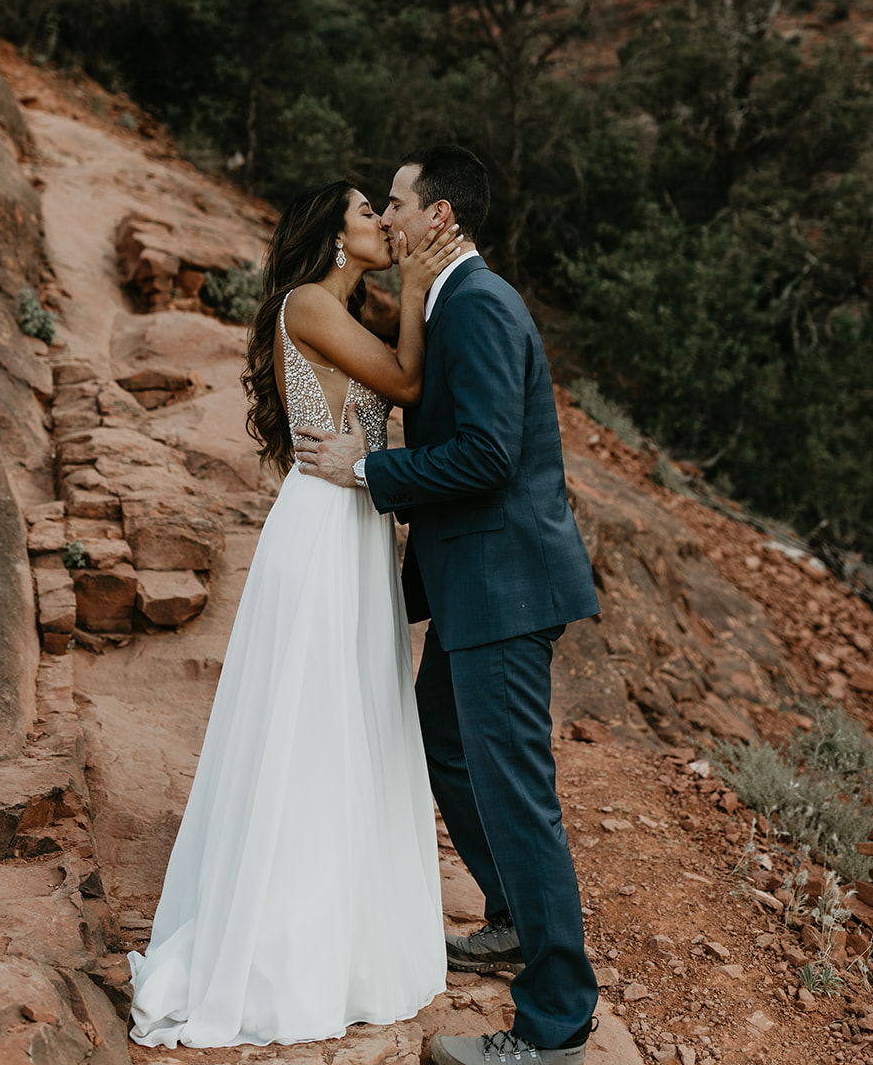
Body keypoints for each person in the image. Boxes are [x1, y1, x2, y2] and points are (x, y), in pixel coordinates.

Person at [128, 180, 459, 1049]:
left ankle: (339, 932)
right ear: (334, 237)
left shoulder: (338, 305)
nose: (383, 223)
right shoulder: (310, 302)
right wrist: (423, 282)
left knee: (348, 719)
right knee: (312, 724)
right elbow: (406, 380)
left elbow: (389, 405)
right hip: (321, 533)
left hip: (350, 527)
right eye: (365, 214)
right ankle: (283, 946)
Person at [295, 146, 601, 1065]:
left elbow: (484, 457)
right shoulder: (448, 302)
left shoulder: (476, 304)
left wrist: (364, 470)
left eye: (394, 202)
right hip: (480, 585)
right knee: (444, 740)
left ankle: (555, 1028)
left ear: (437, 218)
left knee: (519, 799)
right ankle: (510, 921)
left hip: (505, 588)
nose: (385, 216)